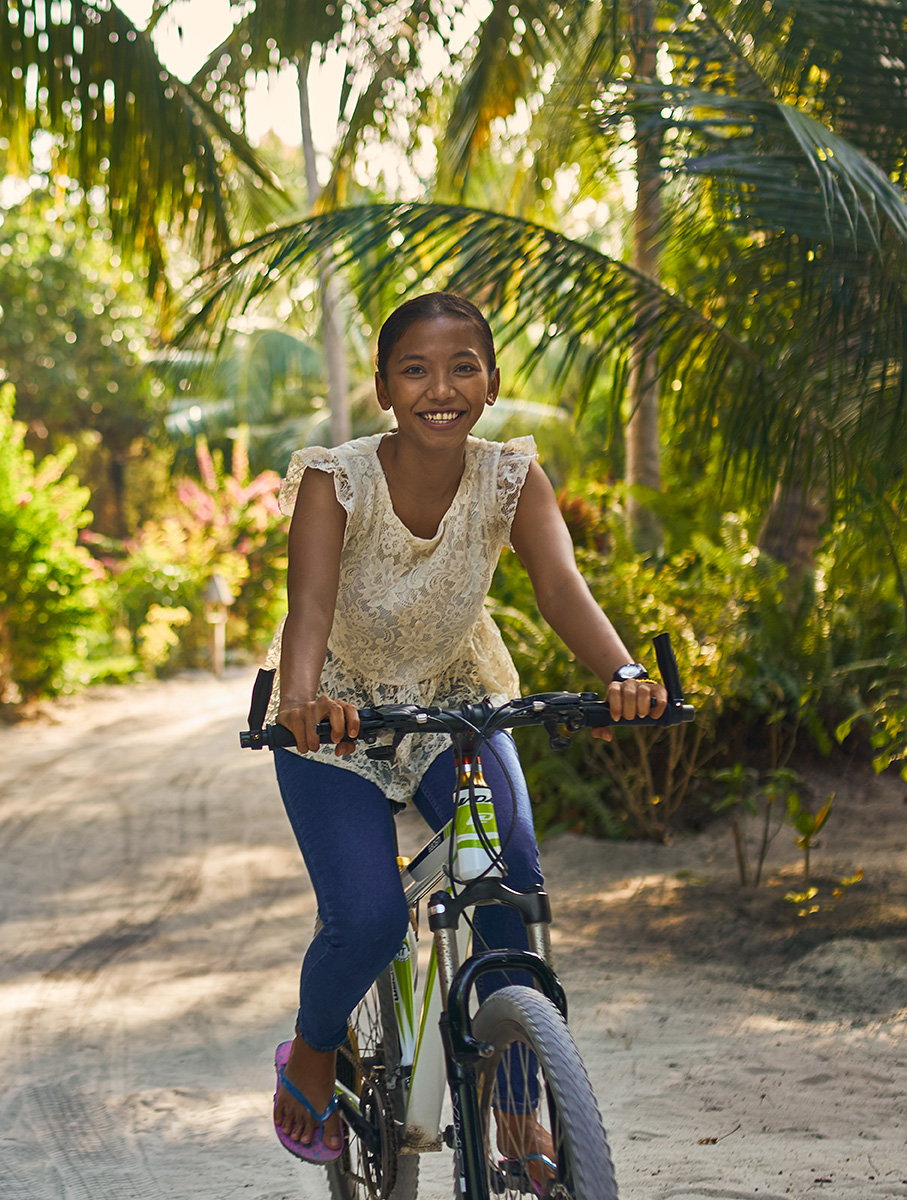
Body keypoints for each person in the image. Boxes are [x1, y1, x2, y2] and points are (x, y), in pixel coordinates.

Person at [265, 292, 665, 1164]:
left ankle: (520, 1111)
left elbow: (561, 588)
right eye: (415, 368)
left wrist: (624, 673)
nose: (439, 387)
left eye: (462, 367)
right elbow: (310, 608)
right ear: (382, 387)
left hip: (456, 697)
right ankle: (316, 1044)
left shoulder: (510, 477)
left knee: (509, 878)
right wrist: (301, 702)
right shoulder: (338, 480)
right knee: (367, 920)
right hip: (336, 711)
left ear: (491, 382)